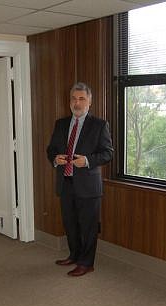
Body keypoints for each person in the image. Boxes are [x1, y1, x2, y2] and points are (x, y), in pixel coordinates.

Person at [46, 82, 114, 277]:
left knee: (88, 226)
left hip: (88, 186)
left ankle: (87, 262)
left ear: (89, 102)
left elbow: (108, 153)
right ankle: (74, 255)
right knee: (70, 223)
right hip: (65, 182)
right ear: (69, 102)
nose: (77, 103)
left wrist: (87, 161)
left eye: (81, 99)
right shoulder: (61, 124)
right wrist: (55, 158)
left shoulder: (99, 125)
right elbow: (51, 149)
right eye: (74, 99)